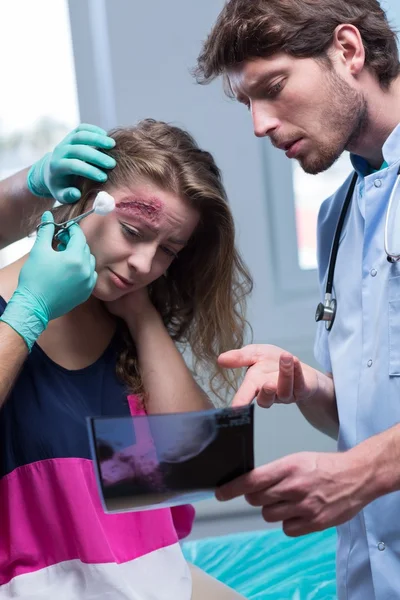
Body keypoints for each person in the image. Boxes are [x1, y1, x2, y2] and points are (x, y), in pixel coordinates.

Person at [195, 0, 400, 598]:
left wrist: (358, 473)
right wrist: (310, 386)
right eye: (246, 103)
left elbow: (366, 458)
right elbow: (365, 413)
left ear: (348, 50)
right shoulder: (338, 217)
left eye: (274, 87)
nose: (259, 124)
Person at [0, 119, 251, 599]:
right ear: (78, 197)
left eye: (168, 251)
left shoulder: (127, 325)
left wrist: (142, 317)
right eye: (133, 231)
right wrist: (30, 314)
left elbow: (200, 468)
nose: (144, 265)